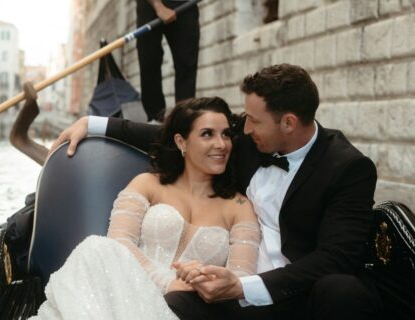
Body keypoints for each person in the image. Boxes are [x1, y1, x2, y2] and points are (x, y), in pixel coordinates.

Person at [52, 64, 381, 319]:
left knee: (343, 290)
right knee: (176, 302)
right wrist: (94, 124)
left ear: (289, 123)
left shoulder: (349, 169)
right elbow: (183, 135)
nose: (243, 129)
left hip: (295, 293)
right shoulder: (252, 141)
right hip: (233, 298)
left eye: (252, 120)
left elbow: (338, 257)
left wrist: (244, 285)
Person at [32, 97, 261, 319]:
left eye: (226, 135)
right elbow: (119, 244)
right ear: (181, 142)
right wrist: (167, 282)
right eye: (207, 134)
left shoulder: (239, 206)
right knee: (96, 247)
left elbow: (241, 279)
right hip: (126, 293)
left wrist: (204, 278)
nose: (221, 145)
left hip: (186, 309)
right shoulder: (148, 184)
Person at [137, 0, 200, 121]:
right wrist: (158, 6)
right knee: (149, 62)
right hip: (149, 6)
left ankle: (183, 119)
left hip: (184, 3)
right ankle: (156, 119)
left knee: (186, 65)